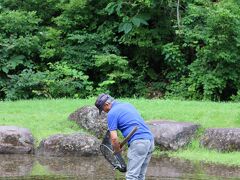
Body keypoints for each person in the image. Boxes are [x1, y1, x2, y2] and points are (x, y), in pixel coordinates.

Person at [95, 93, 154, 180]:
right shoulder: (127, 105)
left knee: (131, 176)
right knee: (140, 176)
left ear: (107, 104)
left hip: (139, 143)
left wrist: (117, 150)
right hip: (150, 141)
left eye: (103, 109)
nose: (104, 111)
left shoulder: (112, 113)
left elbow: (114, 138)